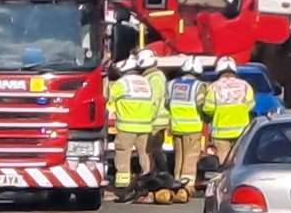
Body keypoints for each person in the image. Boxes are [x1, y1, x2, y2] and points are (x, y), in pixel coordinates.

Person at [107, 54, 160, 200]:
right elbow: (154, 104)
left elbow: (109, 101)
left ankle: (123, 185)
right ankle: (147, 182)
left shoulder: (121, 83)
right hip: (145, 127)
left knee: (123, 154)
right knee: (145, 154)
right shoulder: (145, 83)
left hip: (126, 126)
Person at [200, 57, 255, 168]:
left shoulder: (214, 87)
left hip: (221, 134)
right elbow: (251, 105)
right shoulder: (245, 86)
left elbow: (208, 108)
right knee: (238, 162)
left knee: (223, 163)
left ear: (219, 70)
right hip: (241, 132)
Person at [167, 57, 208, 200]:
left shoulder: (171, 84)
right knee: (190, 157)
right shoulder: (199, 86)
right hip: (193, 127)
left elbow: (167, 103)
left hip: (176, 126)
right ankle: (187, 186)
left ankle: (177, 182)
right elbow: (202, 105)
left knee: (179, 156)